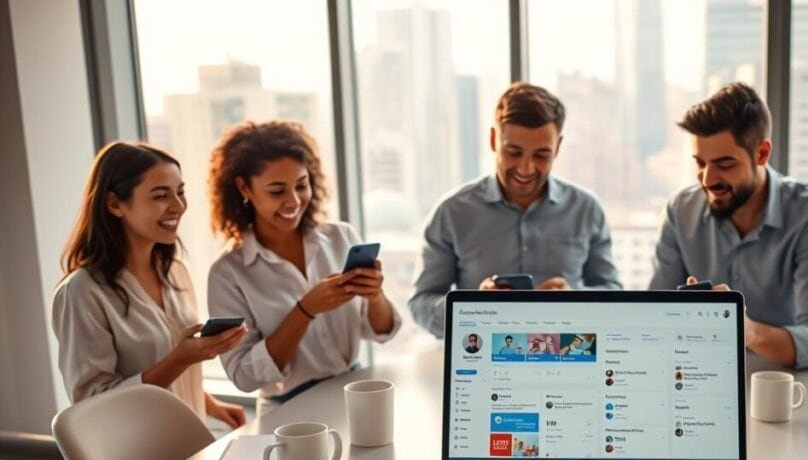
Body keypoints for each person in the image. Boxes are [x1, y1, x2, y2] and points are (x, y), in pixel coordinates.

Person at [206, 121, 400, 416]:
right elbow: (243, 376)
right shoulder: (228, 273)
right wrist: (304, 310)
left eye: (301, 185)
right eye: (277, 191)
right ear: (244, 187)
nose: (294, 201)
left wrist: (375, 296)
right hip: (288, 417)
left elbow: (383, 331)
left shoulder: (340, 237)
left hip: (354, 399)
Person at [649, 83, 808, 369]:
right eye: (700, 163)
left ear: (762, 153)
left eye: (725, 164)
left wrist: (747, 331)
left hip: (784, 387)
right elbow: (654, 317)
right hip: (699, 379)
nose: (707, 179)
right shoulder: (681, 210)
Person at [52, 142, 247, 428]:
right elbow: (93, 404)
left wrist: (210, 405)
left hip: (188, 442)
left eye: (180, 192)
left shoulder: (175, 272)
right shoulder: (82, 292)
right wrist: (179, 359)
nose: (178, 206)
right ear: (115, 204)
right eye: (160, 196)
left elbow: (155, 363)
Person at [409, 82, 622, 338]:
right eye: (514, 152)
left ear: (558, 147)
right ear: (492, 140)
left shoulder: (586, 209)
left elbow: (612, 292)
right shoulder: (452, 212)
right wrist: (474, 307)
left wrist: (576, 300)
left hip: (570, 354)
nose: (526, 168)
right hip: (483, 358)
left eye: (541, 155)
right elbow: (421, 302)